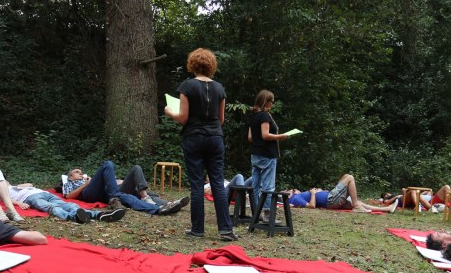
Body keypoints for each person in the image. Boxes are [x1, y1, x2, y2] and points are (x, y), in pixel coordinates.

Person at [163, 48, 238, 240]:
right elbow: (220, 119)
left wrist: (169, 111)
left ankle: (197, 229)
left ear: (192, 64)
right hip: (215, 138)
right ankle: (226, 230)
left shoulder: (187, 86)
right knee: (218, 184)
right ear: (211, 65)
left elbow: (183, 118)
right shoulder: (220, 88)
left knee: (197, 185)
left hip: (194, 137)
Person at [63, 162, 184, 216]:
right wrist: (86, 184)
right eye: (77, 172)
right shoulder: (69, 183)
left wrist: (117, 182)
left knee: (132, 193)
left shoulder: (86, 178)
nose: (80, 173)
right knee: (108, 164)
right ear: (70, 177)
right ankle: (116, 195)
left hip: (107, 192)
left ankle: (161, 208)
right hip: (88, 193)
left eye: (81, 172)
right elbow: (68, 196)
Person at [248, 90, 290, 221]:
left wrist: (258, 143)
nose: (272, 103)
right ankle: (267, 214)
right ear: (266, 102)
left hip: (255, 155)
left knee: (255, 185)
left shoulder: (253, 115)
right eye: (271, 101)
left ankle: (256, 212)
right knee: (268, 186)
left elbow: (250, 137)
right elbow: (265, 135)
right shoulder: (265, 116)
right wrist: (280, 137)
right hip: (267, 155)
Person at [7, 184, 126, 224]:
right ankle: (73, 217)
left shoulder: (17, 185)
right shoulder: (0, 189)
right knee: (51, 207)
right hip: (29, 198)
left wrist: (26, 184)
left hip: (45, 193)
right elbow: (2, 199)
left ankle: (98, 215)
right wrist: (18, 203)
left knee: (69, 205)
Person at [287, 174, 380, 212]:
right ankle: (356, 206)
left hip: (331, 197)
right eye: (292, 190)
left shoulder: (298, 196)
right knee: (350, 177)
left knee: (346, 176)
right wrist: (313, 193)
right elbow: (311, 206)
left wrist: (319, 191)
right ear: (289, 195)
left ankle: (387, 208)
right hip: (330, 200)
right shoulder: (295, 198)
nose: (294, 189)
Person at [118, 165, 189, 210]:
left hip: (129, 190)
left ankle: (171, 204)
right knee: (136, 168)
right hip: (119, 190)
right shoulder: (107, 169)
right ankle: (144, 196)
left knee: (152, 195)